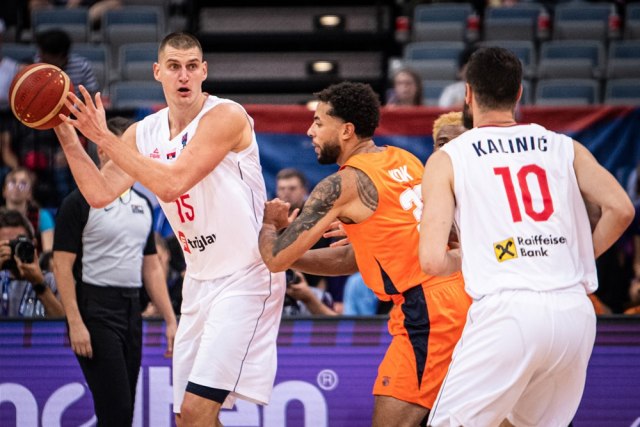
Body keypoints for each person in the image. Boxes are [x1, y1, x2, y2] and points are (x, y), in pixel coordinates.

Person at [53, 32, 285, 426]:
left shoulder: (225, 116)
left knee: (197, 409)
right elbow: (99, 193)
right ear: (157, 72)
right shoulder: (143, 133)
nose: (184, 75)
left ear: (204, 71)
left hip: (245, 277)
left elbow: (172, 183)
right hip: (199, 280)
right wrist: (65, 132)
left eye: (192, 66)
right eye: (174, 67)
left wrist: (103, 136)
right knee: (186, 418)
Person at [419, 47, 635, 426]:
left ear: (468, 94)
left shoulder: (449, 157)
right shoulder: (564, 146)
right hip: (574, 314)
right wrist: (578, 257)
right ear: (519, 93)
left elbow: (432, 260)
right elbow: (622, 209)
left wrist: (475, 254)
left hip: (509, 311)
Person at [258, 81, 470, 426]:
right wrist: (293, 256)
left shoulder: (343, 185)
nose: (310, 131)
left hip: (429, 311)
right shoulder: (404, 159)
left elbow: (273, 257)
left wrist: (270, 224)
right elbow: (350, 260)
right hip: (456, 293)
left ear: (346, 130)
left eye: (318, 122)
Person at [52, 116, 177, 426]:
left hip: (131, 308)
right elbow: (61, 265)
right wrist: (75, 322)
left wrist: (170, 319)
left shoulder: (142, 204)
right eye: (125, 148)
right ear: (103, 151)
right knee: (116, 408)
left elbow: (151, 267)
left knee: (125, 410)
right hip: (95, 309)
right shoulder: (78, 202)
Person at [0, 208, 62, 317]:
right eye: (8, 245)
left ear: (34, 244)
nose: (14, 252)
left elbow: (64, 323)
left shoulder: (52, 280)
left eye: (18, 244)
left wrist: (39, 284)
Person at [2, 167, 55, 252]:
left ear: (29, 193)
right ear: (4, 191)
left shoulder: (42, 216)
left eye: (23, 184)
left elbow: (48, 253)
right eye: (12, 182)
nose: (17, 186)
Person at [438, 44, 477, 110]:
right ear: (460, 72)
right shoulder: (451, 91)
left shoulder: (489, 91)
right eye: (469, 69)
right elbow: (442, 111)